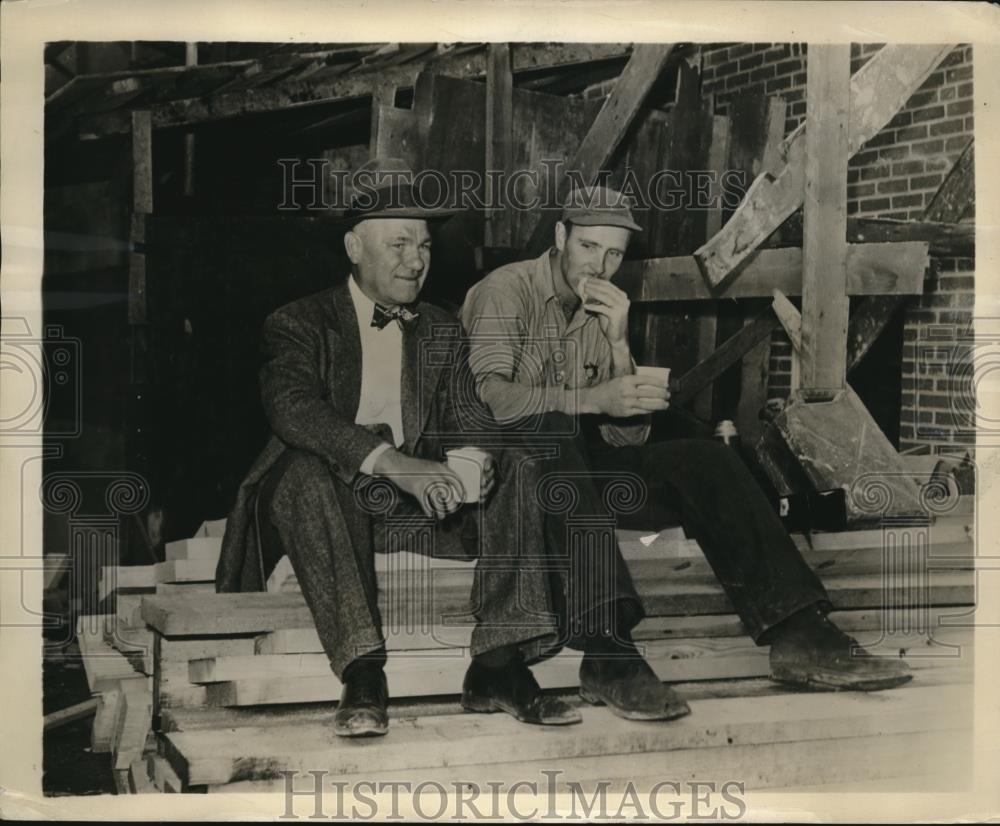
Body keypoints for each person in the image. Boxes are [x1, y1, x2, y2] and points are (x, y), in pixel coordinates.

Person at [214, 161, 686, 739]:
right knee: (307, 470)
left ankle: (497, 665)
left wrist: (476, 463)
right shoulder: (299, 322)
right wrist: (396, 464)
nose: (416, 260)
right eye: (399, 243)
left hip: (411, 513)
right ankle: (363, 674)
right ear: (353, 246)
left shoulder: (439, 328)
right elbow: (295, 411)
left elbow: (474, 414)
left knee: (519, 459)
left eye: (425, 245)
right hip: (319, 510)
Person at [458, 185, 912, 706]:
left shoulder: (602, 310)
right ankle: (609, 652)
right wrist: (591, 399)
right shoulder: (505, 290)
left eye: (614, 254)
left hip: (574, 486)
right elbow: (490, 400)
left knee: (706, 459)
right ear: (560, 237)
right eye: (588, 247)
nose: (600, 266)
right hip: (507, 491)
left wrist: (618, 344)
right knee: (553, 429)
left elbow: (623, 435)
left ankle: (799, 633)